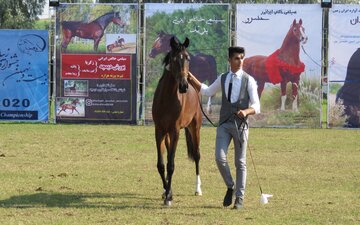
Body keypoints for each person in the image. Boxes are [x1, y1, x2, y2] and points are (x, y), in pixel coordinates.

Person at [187, 46, 260, 209]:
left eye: (242, 58)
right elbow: (206, 91)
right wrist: (190, 77)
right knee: (219, 158)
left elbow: (257, 106)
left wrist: (246, 111)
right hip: (224, 124)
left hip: (241, 126)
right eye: (236, 58)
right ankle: (230, 185)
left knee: (240, 163)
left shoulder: (249, 80)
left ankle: (239, 198)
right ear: (229, 61)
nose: (240, 61)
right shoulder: (223, 78)